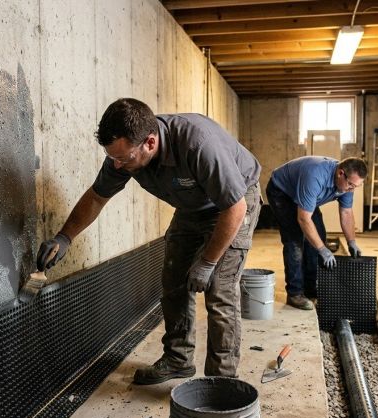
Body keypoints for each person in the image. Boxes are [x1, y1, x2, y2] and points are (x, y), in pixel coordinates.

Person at [36, 98, 262, 384]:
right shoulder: (124, 154)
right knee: (174, 279)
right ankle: (178, 359)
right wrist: (64, 236)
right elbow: (96, 197)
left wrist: (207, 262)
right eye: (113, 157)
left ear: (151, 143)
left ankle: (221, 381)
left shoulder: (198, 144)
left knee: (219, 290)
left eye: (124, 159)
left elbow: (235, 207)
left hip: (236, 201)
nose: (117, 165)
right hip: (194, 207)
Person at [265, 156, 367, 310]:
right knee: (295, 241)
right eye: (351, 185)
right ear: (340, 173)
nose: (351, 190)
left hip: (304, 195)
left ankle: (310, 287)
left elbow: (346, 213)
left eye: (355, 187)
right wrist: (322, 249)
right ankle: (295, 293)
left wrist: (351, 241)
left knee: (319, 236)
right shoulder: (315, 176)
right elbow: (303, 219)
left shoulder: (347, 184)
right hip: (282, 192)